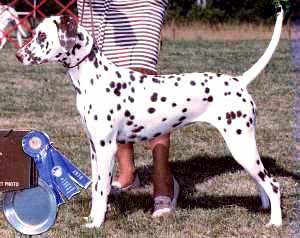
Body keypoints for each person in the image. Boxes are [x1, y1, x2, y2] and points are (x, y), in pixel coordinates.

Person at [77, 0, 179, 217]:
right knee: (108, 93)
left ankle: (163, 180)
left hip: (140, 3)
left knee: (146, 85)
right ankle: (127, 172)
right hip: (98, 6)